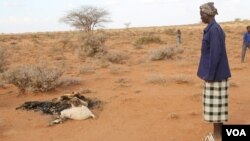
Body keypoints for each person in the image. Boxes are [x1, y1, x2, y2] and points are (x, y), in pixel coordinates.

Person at [197, 2, 231, 140]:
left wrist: (210, 75)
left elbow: (215, 54)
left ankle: (217, 137)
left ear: (207, 14)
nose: (200, 18)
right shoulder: (212, 29)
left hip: (215, 75)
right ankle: (218, 135)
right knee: (217, 108)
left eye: (201, 15)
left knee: (216, 108)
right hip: (215, 74)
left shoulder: (214, 30)